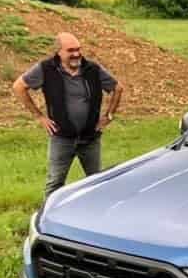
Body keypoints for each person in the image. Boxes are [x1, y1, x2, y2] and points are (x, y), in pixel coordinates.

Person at [12, 32, 124, 200]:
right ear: (59, 52)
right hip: (61, 138)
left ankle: (97, 214)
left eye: (78, 49)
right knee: (55, 183)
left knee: (96, 180)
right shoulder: (46, 69)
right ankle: (48, 219)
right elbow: (19, 87)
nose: (76, 54)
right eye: (70, 50)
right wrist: (39, 117)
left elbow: (118, 88)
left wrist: (108, 116)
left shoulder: (92, 69)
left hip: (90, 138)